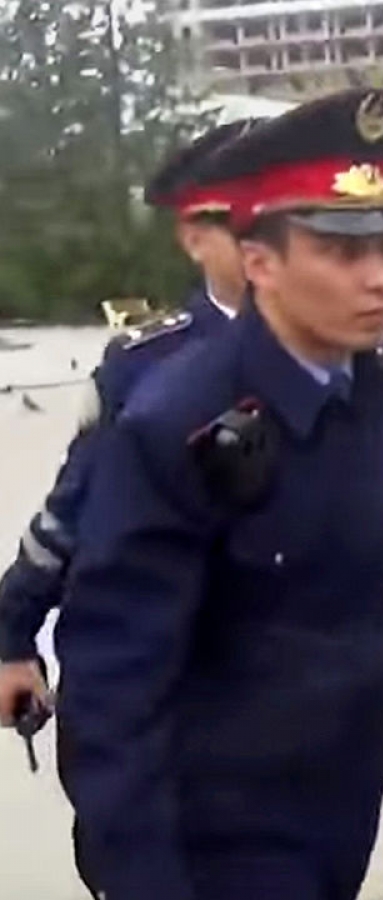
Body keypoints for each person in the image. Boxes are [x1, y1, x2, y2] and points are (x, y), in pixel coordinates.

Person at [54, 87, 383, 900]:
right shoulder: (174, 422)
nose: (381, 279)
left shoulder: (381, 389)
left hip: (342, 792)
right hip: (222, 823)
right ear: (259, 259)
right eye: (341, 251)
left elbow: (372, 568)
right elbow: (111, 681)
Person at [0, 116, 260, 734]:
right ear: (195, 237)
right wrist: (12, 634)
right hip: (165, 695)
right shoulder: (145, 367)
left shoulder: (361, 364)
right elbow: (72, 510)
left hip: (304, 701)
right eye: (250, 228)